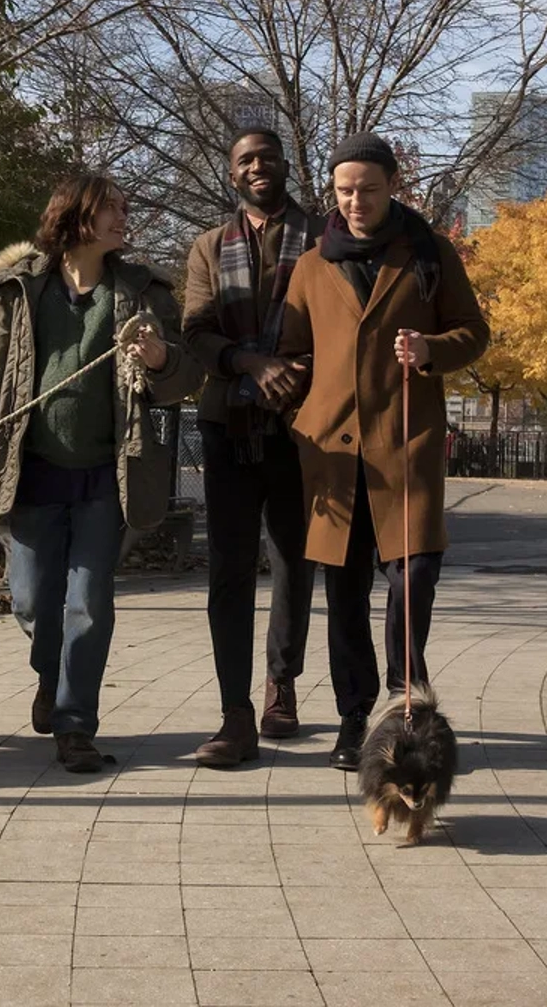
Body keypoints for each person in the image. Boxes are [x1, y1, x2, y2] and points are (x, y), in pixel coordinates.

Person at [0, 174, 201, 772]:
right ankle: (51, 676)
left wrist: (160, 359)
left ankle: (75, 723)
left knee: (89, 603)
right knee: (29, 602)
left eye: (126, 207)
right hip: (32, 472)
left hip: (108, 474)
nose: (124, 217)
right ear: (77, 217)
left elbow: (181, 382)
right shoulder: (20, 291)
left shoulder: (143, 291)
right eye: (112, 208)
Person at [277, 133, 490, 771]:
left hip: (407, 446)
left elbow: (474, 332)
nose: (355, 201)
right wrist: (302, 415)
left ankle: (406, 707)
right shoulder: (312, 266)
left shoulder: (428, 254)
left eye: (368, 188)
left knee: (413, 578)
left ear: (393, 186)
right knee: (342, 593)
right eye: (344, 191)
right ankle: (352, 718)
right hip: (334, 458)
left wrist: (431, 350)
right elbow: (292, 353)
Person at [180, 126, 321, 767]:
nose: (257, 166)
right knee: (230, 571)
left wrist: (294, 371)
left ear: (285, 164)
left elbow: (338, 323)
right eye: (244, 160)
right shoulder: (208, 248)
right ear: (231, 174)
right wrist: (248, 363)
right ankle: (235, 710)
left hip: (304, 425)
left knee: (294, 560)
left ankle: (281, 683)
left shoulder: (324, 238)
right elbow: (196, 331)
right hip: (229, 428)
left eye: (266, 156)